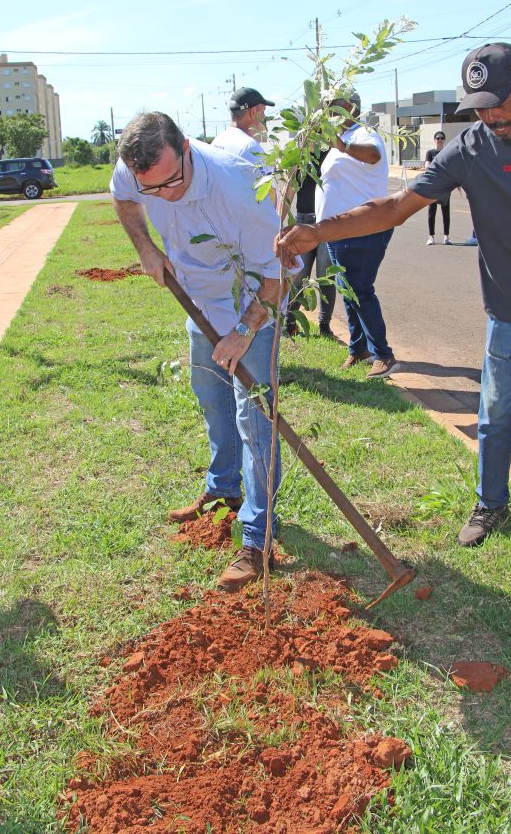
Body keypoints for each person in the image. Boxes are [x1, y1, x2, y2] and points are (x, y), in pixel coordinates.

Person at [277, 43, 511, 575]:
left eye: (498, 103)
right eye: (478, 107)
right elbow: (394, 208)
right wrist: (317, 233)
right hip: (508, 308)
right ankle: (491, 504)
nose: (489, 116)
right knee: (496, 413)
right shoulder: (470, 149)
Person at [111, 111, 292, 591]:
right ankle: (223, 487)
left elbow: (277, 275)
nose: (164, 195)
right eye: (152, 188)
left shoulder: (238, 188)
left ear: (187, 148)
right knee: (212, 400)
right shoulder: (139, 173)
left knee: (254, 421)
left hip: (253, 301)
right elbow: (123, 198)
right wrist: (146, 249)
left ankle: (257, 540)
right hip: (198, 302)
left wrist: (243, 330)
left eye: (171, 182)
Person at [318, 89, 396, 378]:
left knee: (359, 289)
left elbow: (374, 155)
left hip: (364, 228)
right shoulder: (345, 138)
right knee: (347, 289)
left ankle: (383, 355)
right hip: (342, 231)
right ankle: (358, 348)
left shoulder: (363, 133)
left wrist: (342, 146)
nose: (326, 110)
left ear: (349, 106)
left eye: (332, 105)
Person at [284, 150, 336, 338]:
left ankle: (325, 325)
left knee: (326, 277)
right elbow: (288, 193)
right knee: (299, 275)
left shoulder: (333, 155)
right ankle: (289, 322)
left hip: (327, 221)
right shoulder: (298, 156)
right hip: (303, 221)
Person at [212, 86, 274, 171]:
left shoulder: (217, 141)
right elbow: (270, 184)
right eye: (263, 111)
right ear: (253, 112)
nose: (265, 116)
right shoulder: (250, 148)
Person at [424, 131, 451, 245]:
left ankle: (446, 237)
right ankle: (431, 237)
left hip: (445, 185)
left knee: (446, 211)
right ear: (434, 139)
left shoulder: (447, 152)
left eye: (441, 138)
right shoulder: (430, 152)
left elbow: (450, 167)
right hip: (434, 185)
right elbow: (427, 165)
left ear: (444, 140)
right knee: (432, 211)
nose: (439, 140)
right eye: (437, 138)